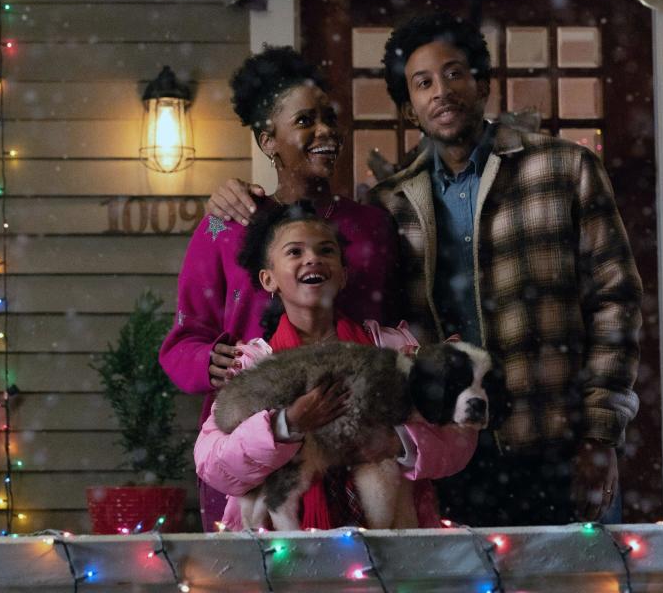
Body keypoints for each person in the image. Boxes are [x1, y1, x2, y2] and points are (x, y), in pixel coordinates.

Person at [204, 13, 643, 526]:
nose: (442, 92)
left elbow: (616, 300)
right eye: (423, 82)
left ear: (481, 83)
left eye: (455, 74)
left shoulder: (564, 169)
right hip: (448, 446)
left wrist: (598, 433)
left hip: (553, 435)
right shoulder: (392, 203)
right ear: (409, 105)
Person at [159, 46, 399, 531]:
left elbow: (392, 330)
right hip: (251, 448)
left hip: (357, 447)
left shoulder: (372, 227)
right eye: (306, 121)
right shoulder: (227, 226)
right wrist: (208, 361)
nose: (327, 132)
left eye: (330, 119)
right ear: (269, 141)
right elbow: (183, 341)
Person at [194, 201, 477, 530]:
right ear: (268, 279)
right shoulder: (252, 365)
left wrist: (394, 442)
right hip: (283, 550)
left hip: (389, 547)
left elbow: (459, 437)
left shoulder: (391, 349)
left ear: (343, 274)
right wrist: (285, 426)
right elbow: (212, 463)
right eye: (295, 252)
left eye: (326, 250)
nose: (312, 259)